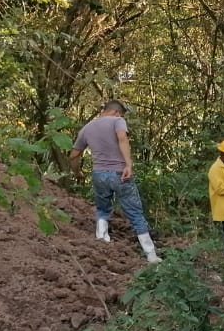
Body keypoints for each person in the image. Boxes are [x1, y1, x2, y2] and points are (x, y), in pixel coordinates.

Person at [68, 99, 161, 264]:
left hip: (98, 174)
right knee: (135, 213)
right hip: (119, 173)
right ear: (117, 112)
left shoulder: (87, 127)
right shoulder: (118, 121)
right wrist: (128, 165)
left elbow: (74, 155)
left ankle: (102, 242)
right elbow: (122, 138)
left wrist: (78, 172)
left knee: (103, 209)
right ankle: (151, 254)